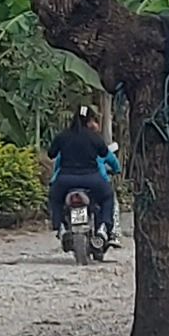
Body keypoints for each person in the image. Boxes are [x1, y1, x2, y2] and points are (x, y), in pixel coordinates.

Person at [45, 103, 118, 242]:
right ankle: (103, 227)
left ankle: (60, 226)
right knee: (107, 196)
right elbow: (104, 153)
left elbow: (51, 154)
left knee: (55, 197)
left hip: (65, 179)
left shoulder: (63, 136)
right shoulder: (94, 137)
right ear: (89, 121)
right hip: (92, 179)